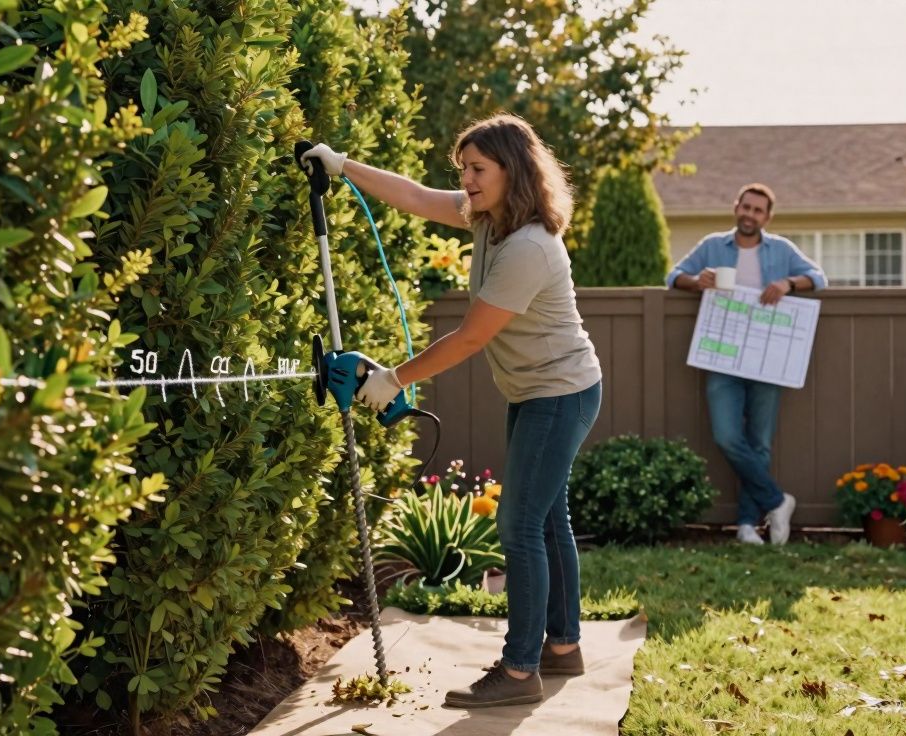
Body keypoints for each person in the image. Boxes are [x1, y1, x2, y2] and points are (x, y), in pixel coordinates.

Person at [302, 114, 602, 709]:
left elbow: (469, 337)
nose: (465, 179)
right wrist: (341, 165)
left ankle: (520, 673)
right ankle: (562, 648)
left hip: (559, 393)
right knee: (545, 521)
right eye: (462, 168)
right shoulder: (489, 218)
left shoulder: (530, 246)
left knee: (519, 527)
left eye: (477, 169)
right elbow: (413, 196)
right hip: (542, 391)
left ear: (511, 171)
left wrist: (393, 379)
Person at [665, 183, 827, 545]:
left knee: (760, 443)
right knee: (726, 435)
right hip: (721, 355)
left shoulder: (782, 250)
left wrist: (788, 282)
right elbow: (673, 276)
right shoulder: (712, 246)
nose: (750, 215)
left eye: (758, 210)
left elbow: (819, 278)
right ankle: (777, 501)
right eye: (746, 207)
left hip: (768, 360)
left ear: (767, 218)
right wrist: (697, 282)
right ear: (735, 207)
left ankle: (747, 525)